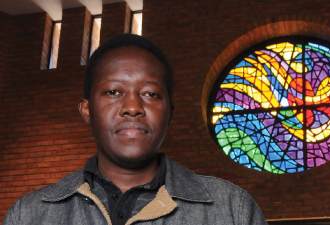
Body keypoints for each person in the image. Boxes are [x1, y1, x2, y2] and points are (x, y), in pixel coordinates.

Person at [3, 34, 267, 225]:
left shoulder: (233, 210)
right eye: (114, 92)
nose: (132, 107)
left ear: (169, 113)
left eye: (150, 94)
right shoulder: (29, 215)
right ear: (87, 111)